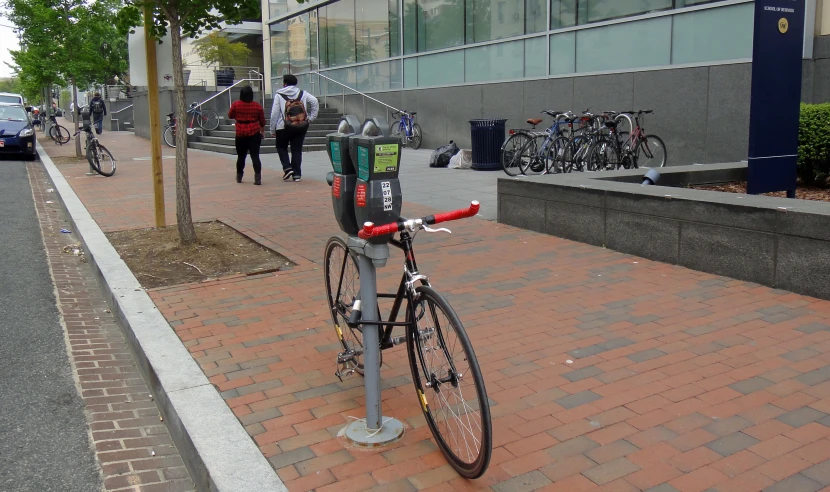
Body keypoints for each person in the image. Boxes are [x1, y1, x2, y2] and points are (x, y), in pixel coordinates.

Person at [270, 74, 319, 182]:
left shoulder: (279, 94)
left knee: (281, 147)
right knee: (296, 150)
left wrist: (272, 129)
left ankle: (287, 168)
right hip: (300, 126)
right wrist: (310, 118)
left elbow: (274, 113)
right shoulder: (303, 93)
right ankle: (296, 174)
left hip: (283, 126)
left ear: (285, 83)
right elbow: (315, 101)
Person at [228, 86, 267, 185]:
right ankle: (257, 177)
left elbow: (230, 115)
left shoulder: (236, 104)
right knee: (255, 156)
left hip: (240, 132)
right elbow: (262, 120)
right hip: (254, 132)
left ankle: (239, 175)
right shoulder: (257, 106)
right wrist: (262, 130)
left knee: (241, 156)